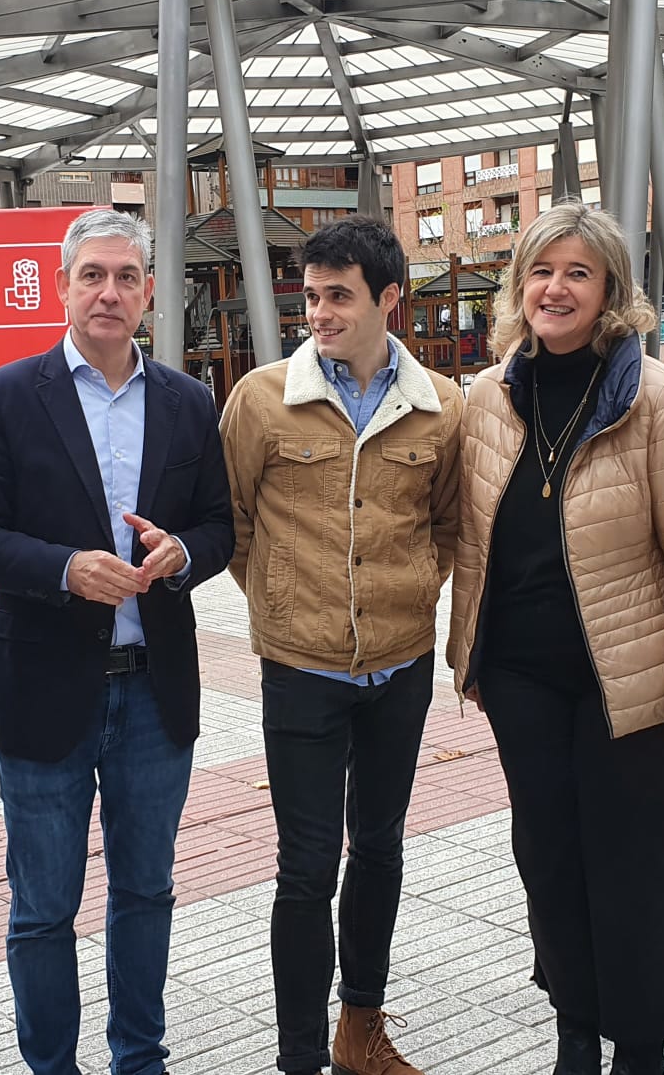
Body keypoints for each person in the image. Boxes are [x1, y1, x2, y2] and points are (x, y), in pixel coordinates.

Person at [446, 202, 664, 1075]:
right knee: (548, 858)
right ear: (519, 288)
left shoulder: (658, 397)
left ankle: (640, 1046)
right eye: (541, 271)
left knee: (633, 866)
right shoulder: (489, 397)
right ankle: (575, 1027)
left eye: (578, 272)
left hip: (632, 684)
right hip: (522, 679)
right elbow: (462, 533)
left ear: (611, 289)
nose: (556, 288)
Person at [0, 209, 233, 1075]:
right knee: (42, 907)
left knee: (146, 892)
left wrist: (183, 554)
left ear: (150, 291)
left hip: (155, 692)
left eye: (125, 277)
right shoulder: (5, 396)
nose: (109, 292)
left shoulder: (188, 402)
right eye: (91, 276)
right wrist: (67, 568)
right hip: (44, 689)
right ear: (65, 285)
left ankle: (139, 1059)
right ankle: (52, 1067)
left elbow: (220, 526)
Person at [219, 215, 462, 1075]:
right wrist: (287, 605)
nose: (318, 313)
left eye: (338, 297)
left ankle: (360, 1029)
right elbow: (238, 523)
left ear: (388, 299)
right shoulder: (260, 398)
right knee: (306, 866)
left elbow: (445, 525)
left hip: (401, 669)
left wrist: (405, 600)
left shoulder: (440, 405)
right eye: (311, 296)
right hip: (301, 672)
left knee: (383, 848)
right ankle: (299, 1059)